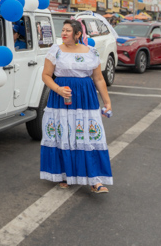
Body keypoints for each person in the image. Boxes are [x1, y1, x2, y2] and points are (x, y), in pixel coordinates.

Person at [40, 19, 113, 193]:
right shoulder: (55, 51)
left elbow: (99, 78)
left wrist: (107, 102)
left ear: (78, 34)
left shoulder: (91, 52)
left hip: (86, 99)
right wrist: (58, 89)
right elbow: (46, 75)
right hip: (61, 99)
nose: (63, 33)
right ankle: (65, 174)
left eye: (67, 31)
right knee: (64, 134)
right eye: (63, 30)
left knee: (88, 135)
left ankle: (94, 179)